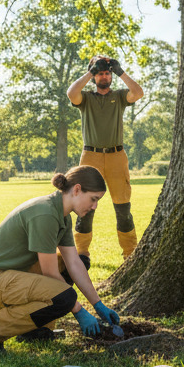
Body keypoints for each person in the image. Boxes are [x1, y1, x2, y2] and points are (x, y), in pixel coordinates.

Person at [0, 164, 121, 354]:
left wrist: (98, 304)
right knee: (64, 297)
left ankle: (37, 330)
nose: (95, 206)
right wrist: (78, 310)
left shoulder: (62, 217)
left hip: (13, 275)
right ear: (77, 189)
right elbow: (49, 273)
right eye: (93, 199)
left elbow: (73, 263)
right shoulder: (45, 213)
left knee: (76, 265)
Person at [66, 55, 145, 260]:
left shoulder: (119, 96)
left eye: (107, 73)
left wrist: (120, 71)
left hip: (116, 156)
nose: (104, 76)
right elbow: (71, 93)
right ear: (94, 77)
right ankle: (82, 254)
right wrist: (91, 71)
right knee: (85, 208)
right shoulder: (86, 98)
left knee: (123, 208)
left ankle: (129, 254)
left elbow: (138, 92)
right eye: (100, 73)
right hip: (90, 157)